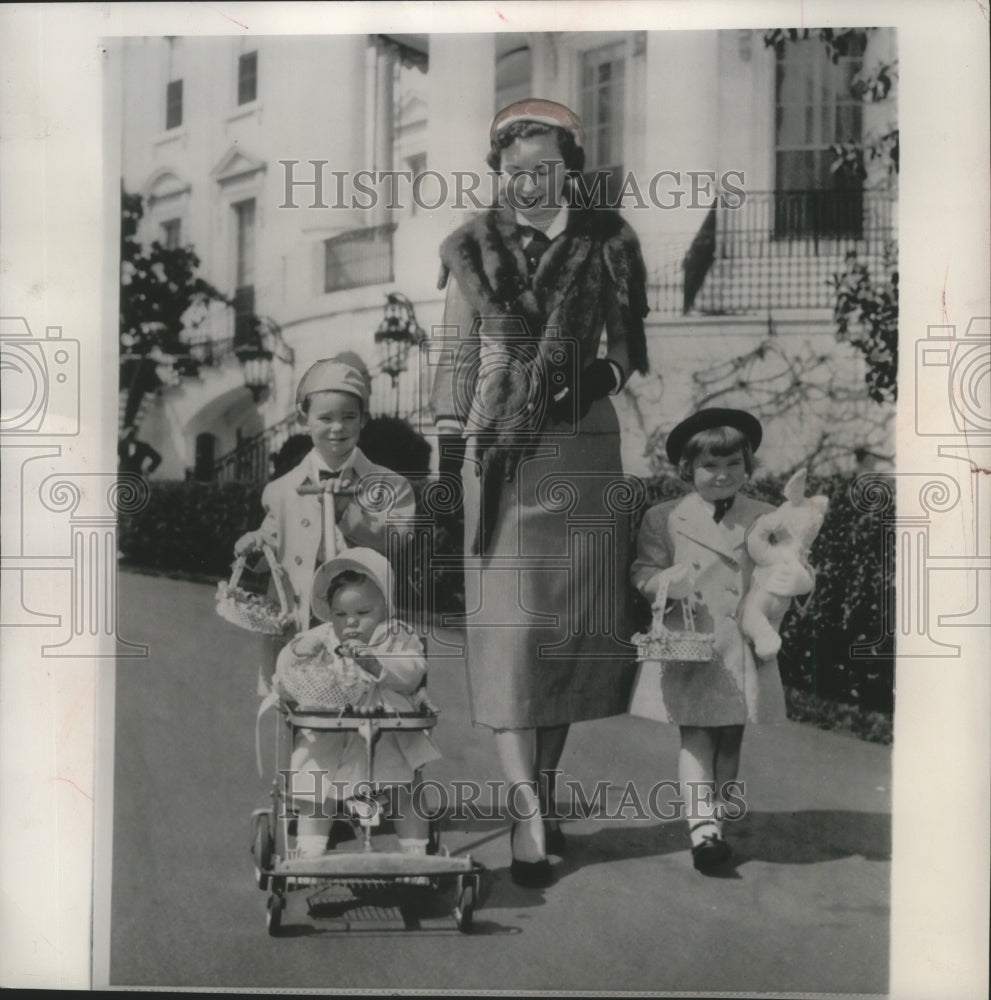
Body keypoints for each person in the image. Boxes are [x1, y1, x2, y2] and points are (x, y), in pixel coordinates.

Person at [429, 98, 650, 887]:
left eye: (545, 169)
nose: (529, 184)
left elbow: (630, 345)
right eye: (516, 170)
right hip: (500, 453)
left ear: (569, 170)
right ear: (500, 173)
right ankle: (524, 808)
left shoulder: (606, 243)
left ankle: (543, 793)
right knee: (511, 636)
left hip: (584, 450)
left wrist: (600, 375)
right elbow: (454, 357)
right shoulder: (471, 249)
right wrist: (452, 458)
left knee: (562, 635)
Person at [631, 408, 792, 872]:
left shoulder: (765, 518)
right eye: (710, 466)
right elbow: (643, 568)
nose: (722, 476)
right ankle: (703, 830)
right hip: (693, 642)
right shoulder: (665, 518)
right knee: (697, 732)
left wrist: (782, 590)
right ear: (688, 469)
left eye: (733, 465)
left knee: (730, 735)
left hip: (741, 640)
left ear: (747, 467)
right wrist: (664, 581)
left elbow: (787, 569)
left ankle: (717, 814)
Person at [234, 354, 416, 691]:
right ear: (304, 421)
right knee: (293, 716)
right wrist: (254, 546)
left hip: (360, 629)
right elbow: (271, 548)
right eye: (325, 418)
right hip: (297, 626)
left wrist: (349, 513)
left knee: (362, 710)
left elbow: (398, 541)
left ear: (364, 419)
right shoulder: (283, 489)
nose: (337, 428)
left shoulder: (391, 486)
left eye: (349, 417)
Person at [273, 547, 440, 858]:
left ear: (385, 608)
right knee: (316, 785)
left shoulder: (398, 636)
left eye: (363, 614)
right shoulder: (323, 636)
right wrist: (297, 651)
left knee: (405, 786)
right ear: (328, 613)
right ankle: (310, 852)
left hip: (388, 731)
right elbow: (286, 672)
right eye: (340, 614)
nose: (351, 623)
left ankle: (416, 851)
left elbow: (414, 670)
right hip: (330, 732)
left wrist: (379, 664)